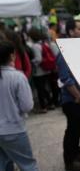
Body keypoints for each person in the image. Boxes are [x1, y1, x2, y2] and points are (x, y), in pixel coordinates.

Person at [57, 19, 80, 171]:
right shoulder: (64, 52)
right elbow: (65, 78)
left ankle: (77, 153)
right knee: (72, 131)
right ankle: (70, 162)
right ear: (71, 32)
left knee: (77, 129)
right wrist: (78, 96)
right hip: (73, 101)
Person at [0, 40, 39, 171]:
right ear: (12, 56)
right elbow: (27, 106)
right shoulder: (17, 77)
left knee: (3, 164)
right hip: (14, 129)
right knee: (28, 165)